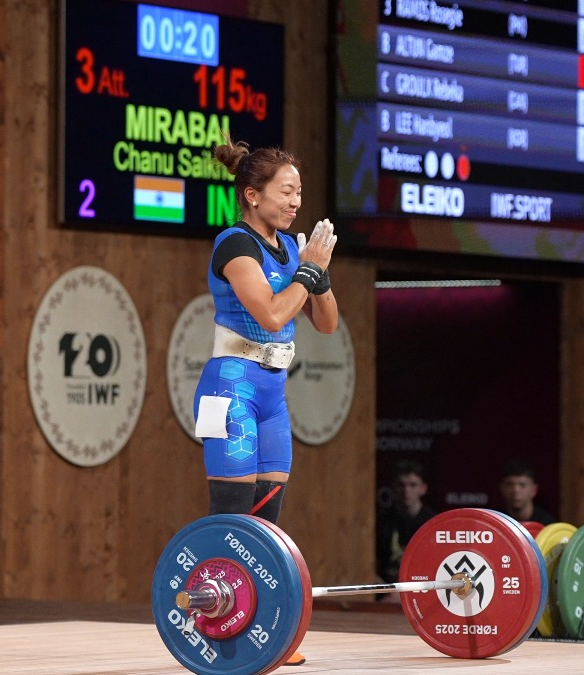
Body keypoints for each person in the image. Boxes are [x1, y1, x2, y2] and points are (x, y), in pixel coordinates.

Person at [192, 133, 338, 666]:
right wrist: (306, 271)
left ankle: (260, 630)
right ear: (253, 196)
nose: (296, 201)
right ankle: (208, 624)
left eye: (299, 192)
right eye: (285, 191)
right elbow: (272, 315)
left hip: (273, 396)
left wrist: (314, 269)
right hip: (231, 389)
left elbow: (325, 322)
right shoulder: (234, 244)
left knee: (266, 519)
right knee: (230, 515)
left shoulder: (297, 249)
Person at [375, 459, 438, 587]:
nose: (406, 491)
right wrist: (385, 590)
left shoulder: (433, 523)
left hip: (422, 589)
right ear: (393, 486)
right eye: (401, 485)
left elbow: (438, 566)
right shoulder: (381, 521)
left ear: (423, 489)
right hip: (385, 591)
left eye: (413, 485)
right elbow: (368, 563)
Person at [497, 459, 556, 525]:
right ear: (502, 488)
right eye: (510, 484)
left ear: (534, 490)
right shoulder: (496, 521)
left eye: (522, 485)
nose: (516, 490)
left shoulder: (547, 524)